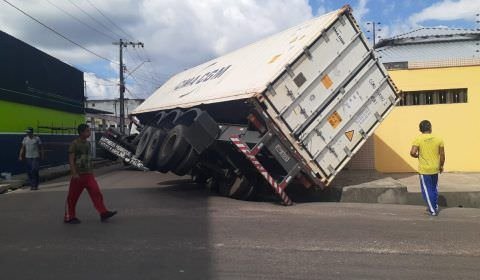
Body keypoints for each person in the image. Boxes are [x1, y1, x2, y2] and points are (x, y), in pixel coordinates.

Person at [64, 124, 117, 224]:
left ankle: (103, 212)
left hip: (88, 174)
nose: (89, 133)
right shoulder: (74, 144)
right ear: (81, 132)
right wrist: (74, 173)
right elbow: (71, 160)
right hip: (78, 175)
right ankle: (70, 216)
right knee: (72, 197)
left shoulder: (88, 144)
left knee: (96, 193)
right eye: (87, 131)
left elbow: (88, 158)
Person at [410, 120, 445, 216]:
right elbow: (442, 155)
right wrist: (441, 166)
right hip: (435, 168)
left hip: (424, 170)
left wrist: (418, 155)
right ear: (430, 128)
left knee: (426, 190)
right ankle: (434, 205)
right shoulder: (438, 138)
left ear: (420, 129)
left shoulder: (418, 139)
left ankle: (432, 210)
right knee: (433, 188)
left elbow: (412, 152)